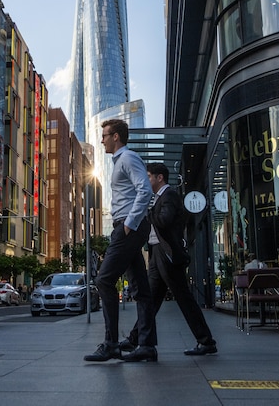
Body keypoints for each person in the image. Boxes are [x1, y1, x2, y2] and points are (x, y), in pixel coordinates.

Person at [120, 163, 217, 357]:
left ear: (159, 178)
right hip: (157, 253)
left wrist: (148, 212)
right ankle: (134, 339)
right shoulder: (159, 198)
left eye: (149, 177)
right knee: (151, 299)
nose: (147, 180)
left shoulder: (169, 196)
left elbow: (164, 221)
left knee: (183, 298)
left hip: (167, 254)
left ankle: (206, 341)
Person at [84, 119, 157, 363]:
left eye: (105, 135)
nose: (102, 139)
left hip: (129, 226)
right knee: (141, 289)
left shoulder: (128, 158)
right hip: (127, 226)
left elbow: (145, 189)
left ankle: (111, 344)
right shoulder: (119, 162)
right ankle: (146, 345)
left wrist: (129, 224)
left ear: (116, 137)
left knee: (104, 280)